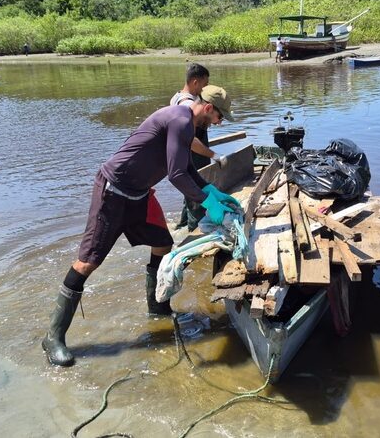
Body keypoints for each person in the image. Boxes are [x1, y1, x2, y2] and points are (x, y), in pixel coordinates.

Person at [41, 86, 240, 367]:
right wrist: (208, 203)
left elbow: (187, 169)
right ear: (208, 108)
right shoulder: (180, 120)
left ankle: (157, 309)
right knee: (87, 263)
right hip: (114, 192)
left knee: (162, 242)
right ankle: (54, 337)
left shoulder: (186, 124)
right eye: (220, 117)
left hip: (138, 194)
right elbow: (176, 174)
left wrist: (212, 191)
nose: (219, 123)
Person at [171, 64, 232, 231]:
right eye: (205, 85)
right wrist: (214, 155)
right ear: (195, 82)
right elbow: (190, 141)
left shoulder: (179, 98)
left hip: (188, 162)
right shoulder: (187, 109)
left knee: (192, 192)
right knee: (196, 199)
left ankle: (182, 226)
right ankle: (193, 229)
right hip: (192, 157)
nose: (206, 89)